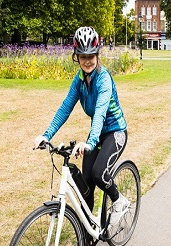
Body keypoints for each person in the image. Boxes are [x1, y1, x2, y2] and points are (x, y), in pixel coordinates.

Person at [33, 26, 129, 227]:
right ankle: (85, 239)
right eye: (82, 55)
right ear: (76, 56)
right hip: (97, 134)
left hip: (115, 132)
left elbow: (101, 112)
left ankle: (119, 200)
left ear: (97, 54)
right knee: (85, 188)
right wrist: (46, 135)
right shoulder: (79, 80)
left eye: (91, 55)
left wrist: (91, 142)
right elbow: (65, 108)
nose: (87, 60)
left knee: (98, 173)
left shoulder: (104, 79)